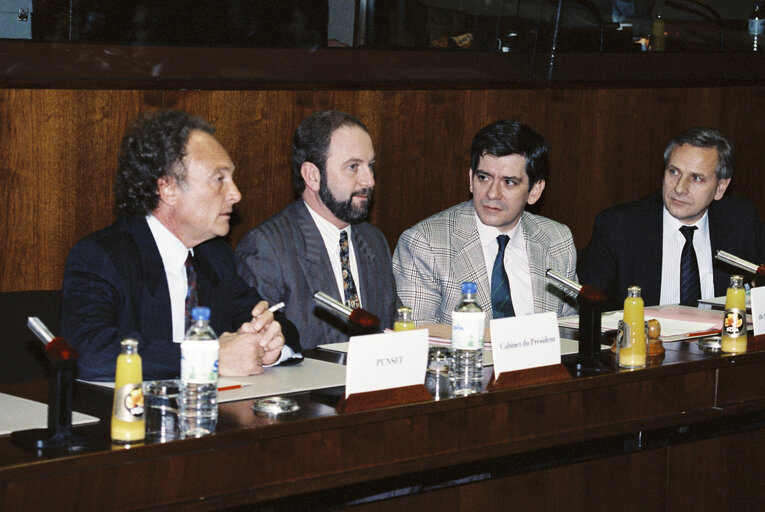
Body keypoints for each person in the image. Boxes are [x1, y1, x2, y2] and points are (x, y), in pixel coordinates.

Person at [61, 110, 299, 381]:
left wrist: (271, 344)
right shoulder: (103, 256)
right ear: (168, 189)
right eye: (219, 179)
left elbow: (277, 323)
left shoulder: (214, 255)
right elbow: (87, 351)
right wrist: (208, 358)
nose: (235, 194)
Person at [235, 111, 398, 350]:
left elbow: (391, 326)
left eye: (370, 165)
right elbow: (258, 350)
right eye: (353, 167)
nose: (369, 180)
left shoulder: (373, 240)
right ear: (312, 176)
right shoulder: (268, 247)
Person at [392, 120, 577, 325]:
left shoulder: (557, 240)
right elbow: (418, 339)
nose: (492, 193)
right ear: (471, 179)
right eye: (484, 178)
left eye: (509, 182)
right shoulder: (425, 244)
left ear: (534, 191)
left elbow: (569, 333)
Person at [579, 127, 765, 311]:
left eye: (697, 178)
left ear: (720, 188)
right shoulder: (618, 227)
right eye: (674, 172)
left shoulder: (741, 220)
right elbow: (592, 311)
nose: (679, 188)